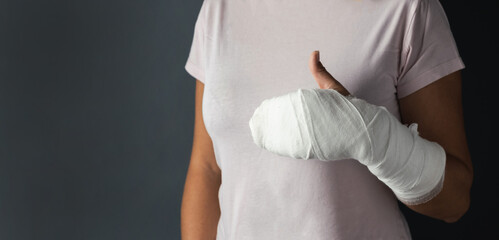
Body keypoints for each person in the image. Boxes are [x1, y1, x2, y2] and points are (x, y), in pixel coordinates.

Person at [181, 0, 473, 239]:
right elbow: (206, 168)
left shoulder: (408, 9)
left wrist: (365, 133)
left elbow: (454, 202)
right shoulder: (220, 7)